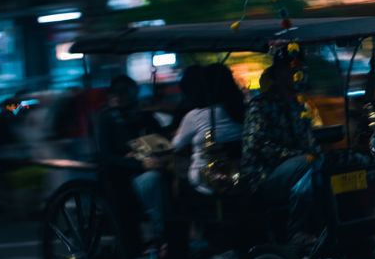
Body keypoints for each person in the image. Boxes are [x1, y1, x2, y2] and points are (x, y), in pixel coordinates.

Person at [241, 51, 320, 240]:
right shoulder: (260, 105)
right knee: (307, 163)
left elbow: (311, 140)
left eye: (301, 70)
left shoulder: (301, 105)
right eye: (292, 70)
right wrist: (296, 155)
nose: (298, 74)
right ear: (278, 74)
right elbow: (257, 144)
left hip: (297, 169)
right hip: (264, 175)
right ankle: (298, 232)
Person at [94, 75, 165, 243]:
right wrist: (140, 163)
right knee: (154, 180)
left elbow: (161, 143)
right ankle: (161, 232)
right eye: (114, 92)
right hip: (123, 178)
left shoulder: (145, 117)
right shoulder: (107, 119)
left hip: (152, 166)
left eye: (123, 92)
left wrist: (145, 155)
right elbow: (106, 155)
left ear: (133, 93)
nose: (117, 96)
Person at [171, 63, 245, 196]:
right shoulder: (243, 111)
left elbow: (176, 144)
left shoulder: (196, 115)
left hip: (208, 181)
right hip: (241, 176)